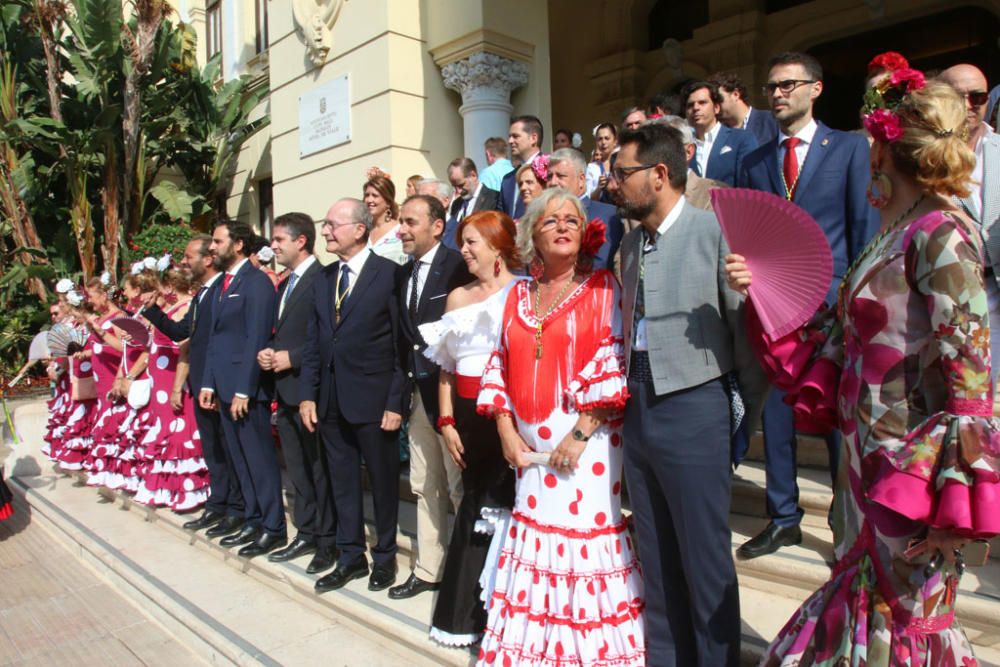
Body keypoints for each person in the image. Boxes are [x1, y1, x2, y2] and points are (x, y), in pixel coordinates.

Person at [726, 76, 1000, 667]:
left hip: (911, 474)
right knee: (873, 607)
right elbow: (848, 335)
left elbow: (974, 386)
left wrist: (955, 506)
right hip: (865, 455)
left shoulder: (943, 235)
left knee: (910, 619)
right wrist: (767, 294)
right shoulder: (894, 231)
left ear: (882, 149)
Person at [607, 122, 767, 666]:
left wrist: (735, 413)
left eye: (623, 173)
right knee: (655, 553)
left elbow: (748, 339)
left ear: (659, 173)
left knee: (703, 558)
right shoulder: (629, 244)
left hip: (697, 404)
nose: (613, 184)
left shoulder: (715, 232)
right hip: (639, 408)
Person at [475, 187, 645, 666]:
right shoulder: (515, 295)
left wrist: (579, 434)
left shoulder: (604, 287)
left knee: (581, 542)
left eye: (572, 218)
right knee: (538, 536)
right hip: (526, 450)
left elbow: (613, 358)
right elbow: (498, 364)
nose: (564, 226)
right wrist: (506, 432)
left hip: (587, 448)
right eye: (551, 220)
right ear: (532, 234)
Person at [737, 51, 879, 560]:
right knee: (776, 415)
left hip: (833, 307)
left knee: (838, 417)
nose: (777, 94)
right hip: (774, 305)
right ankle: (783, 519)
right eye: (771, 86)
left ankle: (846, 524)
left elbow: (863, 229)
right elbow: (751, 232)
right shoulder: (753, 160)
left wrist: (854, 299)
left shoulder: (847, 149)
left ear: (815, 89)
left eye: (788, 85)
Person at [420, 210, 522, 646]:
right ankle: (464, 615)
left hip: (508, 418)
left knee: (504, 507)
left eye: (472, 242)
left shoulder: (524, 292)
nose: (464, 251)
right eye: (462, 242)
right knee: (474, 507)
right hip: (465, 419)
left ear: (497, 246)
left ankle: (503, 612)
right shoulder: (457, 297)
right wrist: (445, 421)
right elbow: (445, 366)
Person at [300, 198, 405, 594]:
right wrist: (309, 394)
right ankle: (350, 557)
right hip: (329, 402)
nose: (325, 231)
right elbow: (314, 342)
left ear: (359, 229)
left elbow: (400, 346)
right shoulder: (324, 280)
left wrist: (396, 402)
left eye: (331, 225)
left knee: (381, 484)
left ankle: (384, 558)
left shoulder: (389, 274)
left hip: (375, 402)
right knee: (342, 483)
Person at [388, 194, 471, 601]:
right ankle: (429, 568)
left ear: (437, 226)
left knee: (459, 486)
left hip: (452, 398)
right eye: (401, 221)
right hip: (418, 397)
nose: (401, 228)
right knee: (424, 484)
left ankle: (470, 576)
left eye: (409, 221)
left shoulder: (457, 266)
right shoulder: (403, 276)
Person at [143, 234, 246, 537]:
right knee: (213, 451)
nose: (184, 262)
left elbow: (219, 344)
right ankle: (219, 504)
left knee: (227, 450)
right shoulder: (203, 294)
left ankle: (237, 510)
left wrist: (212, 384)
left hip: (216, 386)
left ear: (208, 259)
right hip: (200, 384)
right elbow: (180, 333)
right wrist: (153, 311)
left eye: (189, 257)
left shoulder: (221, 293)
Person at [256, 213, 338, 574]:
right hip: (284, 391)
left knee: (320, 470)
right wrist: (270, 351)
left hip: (312, 392)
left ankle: (328, 539)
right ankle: (305, 531)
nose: (273, 246)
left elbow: (328, 338)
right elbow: (283, 332)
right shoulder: (284, 284)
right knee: (298, 471)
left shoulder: (323, 278)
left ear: (301, 241)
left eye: (279, 239)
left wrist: (293, 358)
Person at [199, 219, 284, 558]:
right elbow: (214, 340)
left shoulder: (257, 283)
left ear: (237, 244)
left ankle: (273, 526)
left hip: (245, 391)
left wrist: (245, 390)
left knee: (259, 460)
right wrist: (208, 381)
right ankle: (253, 518)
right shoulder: (223, 283)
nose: (212, 247)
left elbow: (256, 338)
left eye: (218, 241)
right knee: (239, 459)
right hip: (222, 386)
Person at [939, 64, 1000, 378]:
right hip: (946, 297)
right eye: (957, 96)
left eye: (977, 96)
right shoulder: (923, 159)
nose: (968, 104)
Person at [136, 267, 210, 511]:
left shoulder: (187, 306)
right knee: (165, 433)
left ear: (169, 286)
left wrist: (177, 387)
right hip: (161, 381)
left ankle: (188, 490)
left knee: (179, 434)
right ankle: (168, 488)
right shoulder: (171, 308)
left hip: (173, 380)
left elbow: (184, 348)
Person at [547, 148, 624, 271]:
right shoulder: (544, 218)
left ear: (581, 180)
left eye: (561, 176)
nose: (553, 182)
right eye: (549, 177)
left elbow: (599, 265)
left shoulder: (607, 215)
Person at [683, 79, 758, 187]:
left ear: (716, 108)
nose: (695, 108)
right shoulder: (681, 147)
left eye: (702, 102)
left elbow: (749, 186)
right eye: (690, 105)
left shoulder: (741, 139)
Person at [658, 115, 728, 210]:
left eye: (665, 146)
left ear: (688, 152)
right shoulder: (641, 193)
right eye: (650, 147)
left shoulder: (715, 195)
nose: (656, 152)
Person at [710, 71, 779, 145]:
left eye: (718, 99)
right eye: (712, 102)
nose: (715, 106)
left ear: (736, 94)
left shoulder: (771, 121)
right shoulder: (716, 133)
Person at [445, 158, 500, 250]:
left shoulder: (494, 198)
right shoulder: (456, 204)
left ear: (473, 175)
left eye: (461, 185)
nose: (458, 191)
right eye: (454, 186)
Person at [498, 115, 544, 219]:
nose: (510, 141)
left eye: (515, 136)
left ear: (533, 138)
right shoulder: (508, 180)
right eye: (510, 136)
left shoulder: (550, 171)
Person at [364, 173, 407, 265]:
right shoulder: (363, 231)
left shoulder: (401, 231)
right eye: (367, 195)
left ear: (388, 201)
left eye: (375, 196)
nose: (369, 200)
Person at [587, 122, 618, 200]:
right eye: (600, 139)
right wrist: (599, 188)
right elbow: (589, 198)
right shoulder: (592, 167)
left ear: (615, 141)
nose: (603, 142)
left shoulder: (621, 163)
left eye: (607, 138)